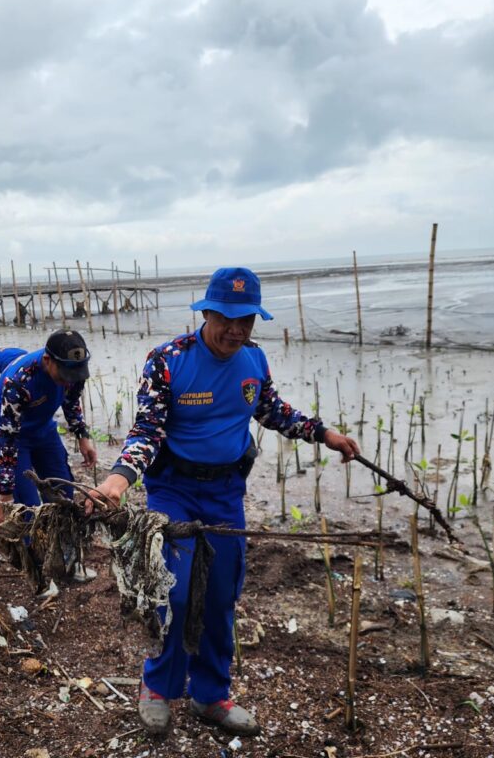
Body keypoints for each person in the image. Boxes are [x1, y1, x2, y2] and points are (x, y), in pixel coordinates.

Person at [94, 267, 360, 737]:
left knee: (220, 595)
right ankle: (157, 687)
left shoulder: (253, 361)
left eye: (247, 320)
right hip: (173, 490)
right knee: (173, 591)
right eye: (228, 319)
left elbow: (274, 411)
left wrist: (324, 433)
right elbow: (147, 431)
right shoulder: (168, 360)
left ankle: (210, 694)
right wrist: (119, 479)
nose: (237, 330)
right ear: (207, 312)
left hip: (225, 492)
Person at [0, 330, 98, 523]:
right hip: (2, 430)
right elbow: (7, 439)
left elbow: (71, 401)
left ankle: (62, 545)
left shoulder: (75, 370)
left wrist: (82, 436)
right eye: (64, 375)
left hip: (42, 427)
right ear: (47, 360)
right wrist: (5, 493)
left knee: (62, 492)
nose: (69, 381)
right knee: (26, 508)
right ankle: (29, 548)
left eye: (74, 375)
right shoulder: (20, 381)